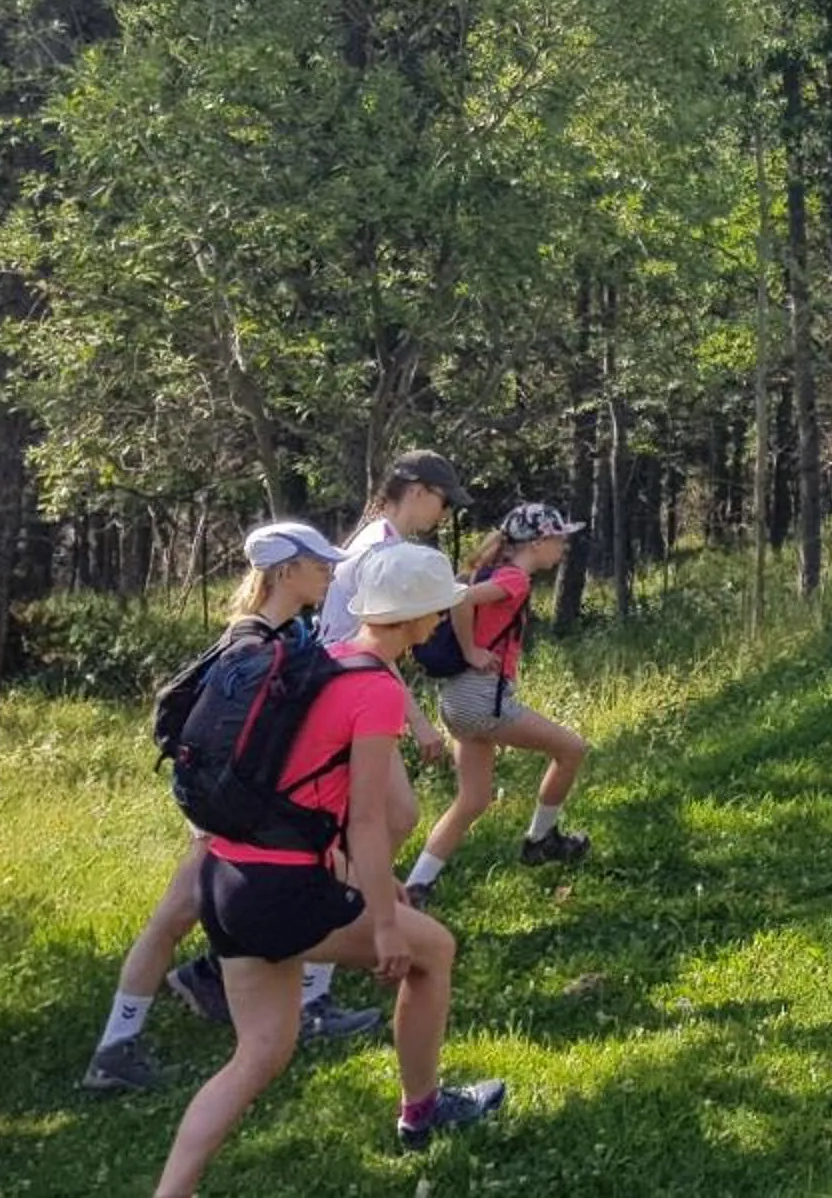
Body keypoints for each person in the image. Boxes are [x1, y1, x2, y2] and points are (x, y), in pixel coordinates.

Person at [153, 542, 507, 1194]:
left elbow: (312, 798)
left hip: (225, 877)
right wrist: (385, 922)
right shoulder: (372, 690)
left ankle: (172, 1190)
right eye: (437, 611)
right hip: (281, 891)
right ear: (419, 617)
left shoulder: (324, 661)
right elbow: (366, 820)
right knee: (433, 951)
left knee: (260, 1052)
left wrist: (364, 883)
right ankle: (422, 1114)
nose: (439, 624)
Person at [170, 449, 472, 1034]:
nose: (441, 512)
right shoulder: (376, 550)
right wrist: (413, 717)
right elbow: (359, 638)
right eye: (441, 499)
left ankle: (296, 961)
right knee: (370, 825)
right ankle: (307, 964)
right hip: (351, 702)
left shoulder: (379, 542)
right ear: (414, 490)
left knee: (384, 821)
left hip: (350, 695)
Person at [83, 523, 378, 1094]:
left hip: (225, 815)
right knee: (171, 920)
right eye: (319, 564)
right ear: (285, 571)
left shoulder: (262, 637)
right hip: (232, 820)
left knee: (175, 918)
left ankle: (133, 1033)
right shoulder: (260, 648)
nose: (330, 572)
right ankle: (116, 1050)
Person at [401, 503, 592, 908]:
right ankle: (542, 840)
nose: (563, 547)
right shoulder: (515, 579)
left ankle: (417, 885)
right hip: (480, 699)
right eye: (560, 539)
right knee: (572, 748)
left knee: (473, 800)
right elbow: (461, 600)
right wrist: (472, 650)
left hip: (454, 701)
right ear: (539, 542)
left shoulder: (487, 571)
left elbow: (461, 595)